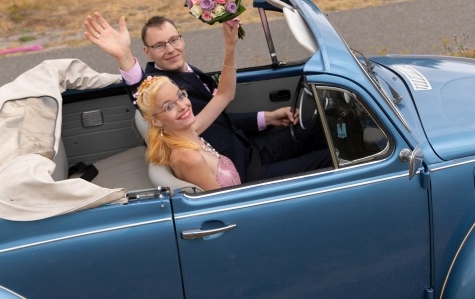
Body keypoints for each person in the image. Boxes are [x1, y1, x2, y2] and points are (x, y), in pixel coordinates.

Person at [84, 11, 329, 183]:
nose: (170, 49)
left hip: (248, 147)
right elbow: (141, 92)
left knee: (321, 131)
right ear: (147, 52)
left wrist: (267, 117)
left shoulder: (188, 72)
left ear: (182, 39)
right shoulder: (159, 87)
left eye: (173, 40)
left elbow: (220, 113)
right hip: (245, 172)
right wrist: (123, 56)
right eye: (160, 46)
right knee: (327, 159)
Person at [134, 20, 242, 190]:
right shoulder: (188, 158)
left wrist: (230, 45)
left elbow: (224, 94)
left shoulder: (189, 132)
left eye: (181, 95)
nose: (183, 106)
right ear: (156, 120)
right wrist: (123, 57)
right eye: (169, 107)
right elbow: (226, 205)